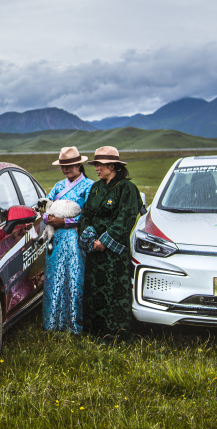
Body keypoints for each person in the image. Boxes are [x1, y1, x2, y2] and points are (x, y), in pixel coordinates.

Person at [77, 146, 143, 341]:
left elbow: (126, 217)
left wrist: (105, 241)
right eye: (96, 164)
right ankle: (94, 330)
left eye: (100, 165)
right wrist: (90, 238)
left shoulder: (126, 188)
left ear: (112, 166)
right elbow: (86, 214)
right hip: (94, 250)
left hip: (114, 252)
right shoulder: (95, 188)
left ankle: (116, 333)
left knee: (114, 290)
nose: (96, 168)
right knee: (94, 289)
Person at [42, 147, 94, 334]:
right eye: (63, 166)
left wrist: (65, 221)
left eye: (69, 166)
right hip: (55, 239)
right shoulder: (57, 186)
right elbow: (45, 207)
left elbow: (89, 216)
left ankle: (74, 324)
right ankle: (52, 324)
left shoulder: (89, 186)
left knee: (74, 278)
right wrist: (47, 218)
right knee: (54, 278)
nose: (65, 169)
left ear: (78, 164)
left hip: (74, 239)